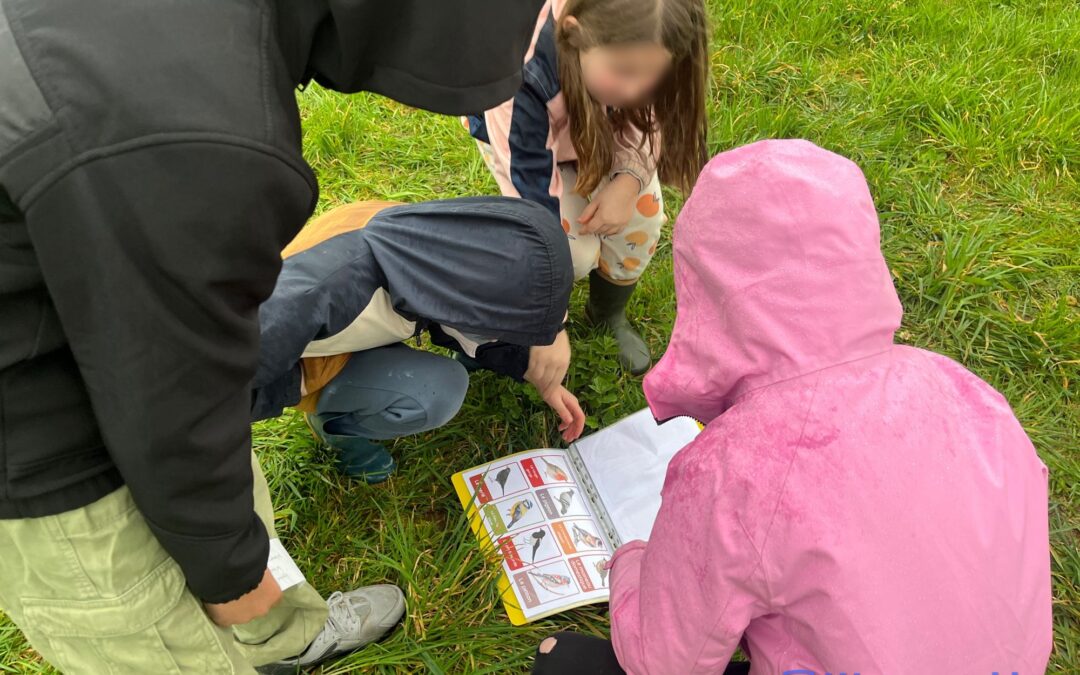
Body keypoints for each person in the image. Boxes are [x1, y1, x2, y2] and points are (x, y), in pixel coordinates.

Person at [0, 0, 547, 672]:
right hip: (51, 457)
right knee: (176, 636)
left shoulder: (202, 49)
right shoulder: (189, 131)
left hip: (123, 352)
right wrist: (228, 570)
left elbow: (189, 369)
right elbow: (171, 390)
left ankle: (287, 639)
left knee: (229, 508)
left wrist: (230, 541)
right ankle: (244, 633)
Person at [534, 140, 1053, 674]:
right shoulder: (964, 388)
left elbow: (666, 663)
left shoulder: (737, 464)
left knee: (563, 662)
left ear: (708, 292)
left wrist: (632, 562)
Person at [251, 196, 587, 483]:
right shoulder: (306, 301)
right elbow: (218, 382)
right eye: (506, 321)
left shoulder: (440, 248)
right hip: (304, 362)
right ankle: (334, 424)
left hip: (354, 328)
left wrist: (538, 369)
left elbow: (464, 324)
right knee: (438, 391)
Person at [466, 0, 709, 376]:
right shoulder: (520, 74)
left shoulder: (649, 43)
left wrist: (628, 180)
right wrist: (550, 324)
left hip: (597, 125)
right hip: (526, 148)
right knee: (573, 252)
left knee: (643, 219)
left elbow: (647, 117)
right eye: (624, 72)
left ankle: (607, 313)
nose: (635, 90)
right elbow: (530, 204)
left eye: (651, 76)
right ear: (575, 33)